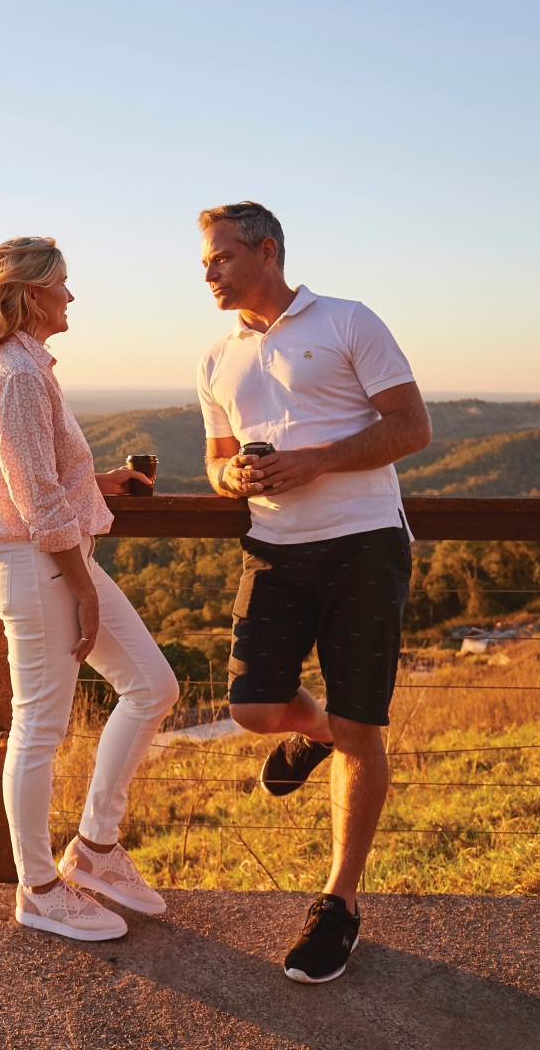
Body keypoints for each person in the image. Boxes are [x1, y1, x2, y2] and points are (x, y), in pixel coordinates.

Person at [195, 201, 432, 984]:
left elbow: (411, 427)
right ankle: (318, 732)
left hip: (364, 545)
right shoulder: (215, 359)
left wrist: (319, 461)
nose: (209, 272)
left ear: (267, 252)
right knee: (254, 709)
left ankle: (340, 901)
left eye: (222, 257)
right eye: (206, 260)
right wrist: (230, 476)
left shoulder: (348, 320)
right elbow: (217, 461)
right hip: (272, 549)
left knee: (364, 725)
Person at [0, 235, 181, 942]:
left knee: (153, 685)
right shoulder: (17, 376)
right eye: (62, 284)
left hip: (55, 558)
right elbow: (34, 501)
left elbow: (46, 479)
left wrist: (99, 483)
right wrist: (83, 588)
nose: (72, 296)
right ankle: (41, 891)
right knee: (39, 733)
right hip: (41, 566)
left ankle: (95, 849)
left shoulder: (27, 368)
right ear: (30, 295)